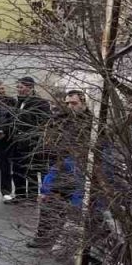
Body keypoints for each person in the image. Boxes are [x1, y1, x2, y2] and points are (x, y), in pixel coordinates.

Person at [30, 90, 92, 248]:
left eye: (74, 103)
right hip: (62, 167)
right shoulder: (62, 120)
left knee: (76, 209)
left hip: (81, 170)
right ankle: (43, 237)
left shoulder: (92, 123)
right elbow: (51, 142)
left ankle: (71, 243)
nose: (70, 106)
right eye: (68, 103)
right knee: (49, 200)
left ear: (83, 102)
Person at [5, 76, 52, 202]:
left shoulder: (40, 103)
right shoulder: (19, 102)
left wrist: (31, 134)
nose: (18, 90)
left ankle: (31, 197)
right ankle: (20, 195)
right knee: (17, 170)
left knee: (31, 170)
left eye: (21, 87)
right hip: (17, 142)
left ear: (30, 88)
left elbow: (45, 122)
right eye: (18, 87)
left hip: (31, 143)